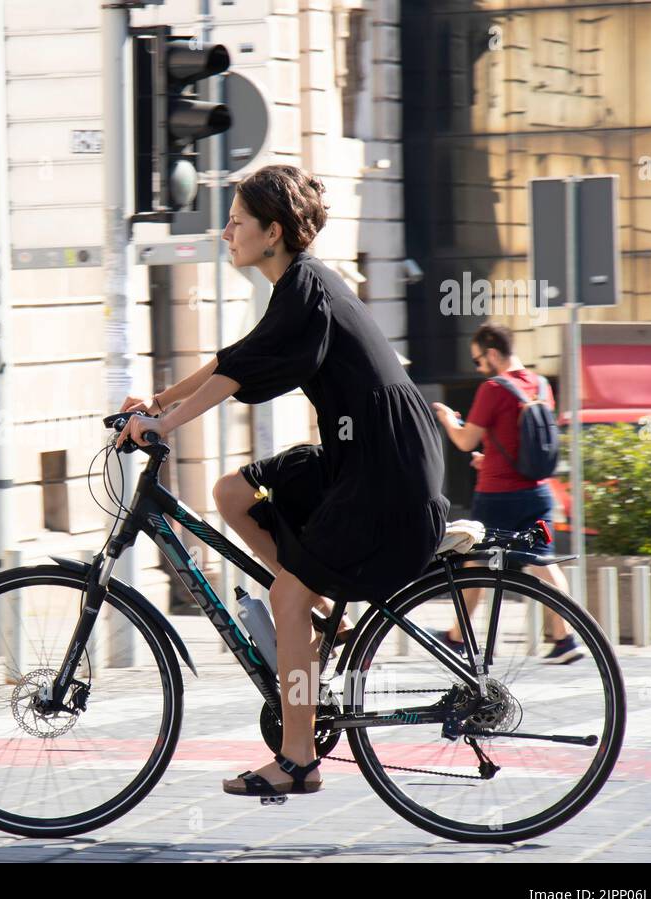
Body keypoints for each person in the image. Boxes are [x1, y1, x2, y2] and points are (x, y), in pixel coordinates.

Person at [116, 164, 449, 800]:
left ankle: (298, 758)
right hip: (359, 456)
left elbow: (236, 376)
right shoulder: (298, 287)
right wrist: (157, 404)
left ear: (272, 232)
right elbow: (236, 359)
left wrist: (166, 424)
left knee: (285, 599)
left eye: (237, 221)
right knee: (231, 494)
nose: (226, 230)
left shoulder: (308, 286)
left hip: (385, 469)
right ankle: (320, 618)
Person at [431, 323, 583, 663]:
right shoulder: (541, 386)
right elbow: (523, 443)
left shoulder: (493, 388)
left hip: (497, 499)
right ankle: (564, 639)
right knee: (543, 561)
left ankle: (457, 638)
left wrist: (444, 417)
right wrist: (492, 459)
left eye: (478, 359)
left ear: (493, 353)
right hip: (540, 495)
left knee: (475, 561)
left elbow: (464, 440)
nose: (477, 367)